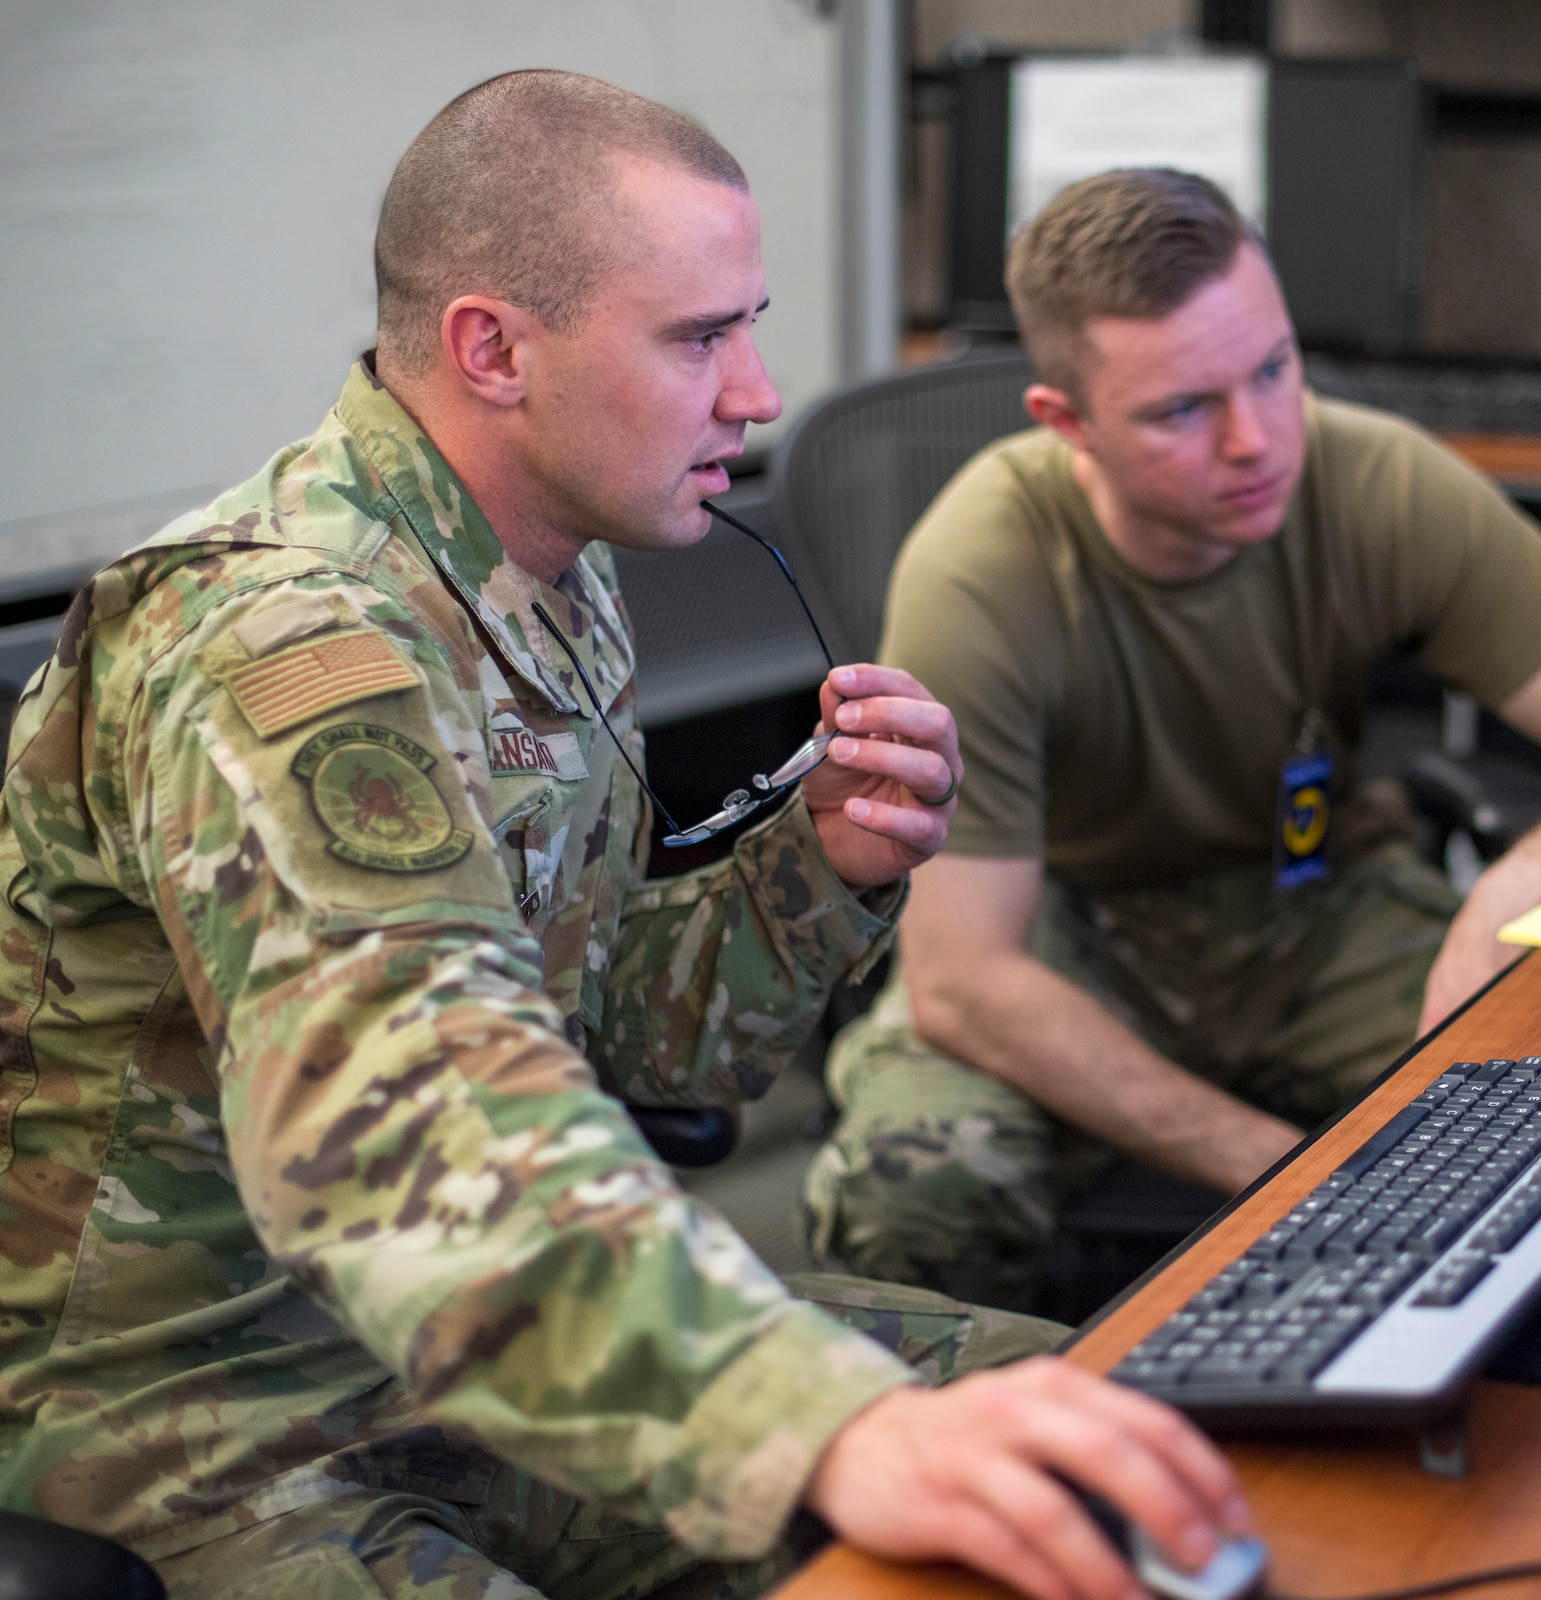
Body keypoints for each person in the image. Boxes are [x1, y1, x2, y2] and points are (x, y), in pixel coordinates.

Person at [0, 76, 1251, 1600]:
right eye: (700, 337)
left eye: (750, 325)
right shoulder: (280, 646)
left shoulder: (548, 578)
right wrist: (813, 1424)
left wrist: (817, 869)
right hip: (208, 1416)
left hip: (480, 1346)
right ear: (494, 349)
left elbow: (619, 1041)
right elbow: (414, 1122)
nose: (761, 392)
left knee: (1122, 1444)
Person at [804, 168, 1541, 1310]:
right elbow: (966, 983)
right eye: (1181, 410)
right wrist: (1296, 1178)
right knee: (908, 1193)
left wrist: (1512, 886)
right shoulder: (987, 562)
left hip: (1312, 902)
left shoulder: (1370, 479)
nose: (1255, 441)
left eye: (1272, 369)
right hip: (1071, 927)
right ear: (1066, 423)